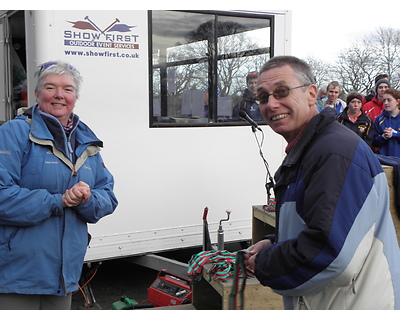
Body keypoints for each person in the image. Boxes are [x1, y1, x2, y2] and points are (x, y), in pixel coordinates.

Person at [245, 55, 400, 310]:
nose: (271, 104)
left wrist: (263, 262)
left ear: (311, 94)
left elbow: (331, 254)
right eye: (263, 97)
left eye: (281, 91)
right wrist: (277, 241)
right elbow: (326, 223)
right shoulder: (313, 148)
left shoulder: (332, 153)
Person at [0, 61, 118, 310]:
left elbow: (107, 195)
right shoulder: (14, 133)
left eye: (67, 89)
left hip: (65, 273)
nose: (59, 95)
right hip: (17, 273)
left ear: (75, 97)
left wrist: (86, 199)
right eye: (50, 87)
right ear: (37, 94)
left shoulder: (86, 140)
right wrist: (59, 201)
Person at [372, 88, 400, 157]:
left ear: (397, 101)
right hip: (384, 159)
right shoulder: (380, 119)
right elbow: (373, 142)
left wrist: (395, 134)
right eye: (384, 100)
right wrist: (383, 137)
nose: (386, 103)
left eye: (389, 100)